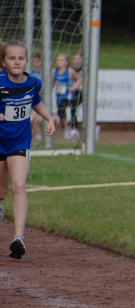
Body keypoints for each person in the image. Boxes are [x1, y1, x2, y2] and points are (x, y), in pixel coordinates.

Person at [0, 40, 56, 259]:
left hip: (20, 142)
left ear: (26, 60)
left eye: (21, 58)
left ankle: (18, 238)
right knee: (1, 192)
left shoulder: (33, 83)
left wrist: (49, 118)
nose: (17, 62)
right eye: (12, 58)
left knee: (19, 186)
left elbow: (36, 102)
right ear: (4, 62)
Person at [52, 52, 81, 141]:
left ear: (66, 62)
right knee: (61, 114)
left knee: (70, 112)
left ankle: (72, 130)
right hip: (59, 96)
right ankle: (66, 129)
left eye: (61, 60)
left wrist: (74, 87)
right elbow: (52, 83)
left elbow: (79, 79)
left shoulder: (70, 71)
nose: (58, 62)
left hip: (69, 95)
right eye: (57, 60)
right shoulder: (54, 72)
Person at [69, 50, 83, 140]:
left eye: (79, 59)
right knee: (72, 109)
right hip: (73, 92)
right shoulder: (70, 70)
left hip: (83, 92)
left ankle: (75, 129)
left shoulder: (84, 69)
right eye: (75, 58)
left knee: (82, 111)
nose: (77, 61)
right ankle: (73, 129)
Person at [30, 52, 44, 141]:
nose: (36, 63)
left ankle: (40, 134)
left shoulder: (45, 72)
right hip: (33, 98)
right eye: (34, 61)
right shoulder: (31, 72)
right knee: (34, 117)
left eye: (38, 61)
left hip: (41, 98)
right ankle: (36, 135)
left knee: (39, 119)